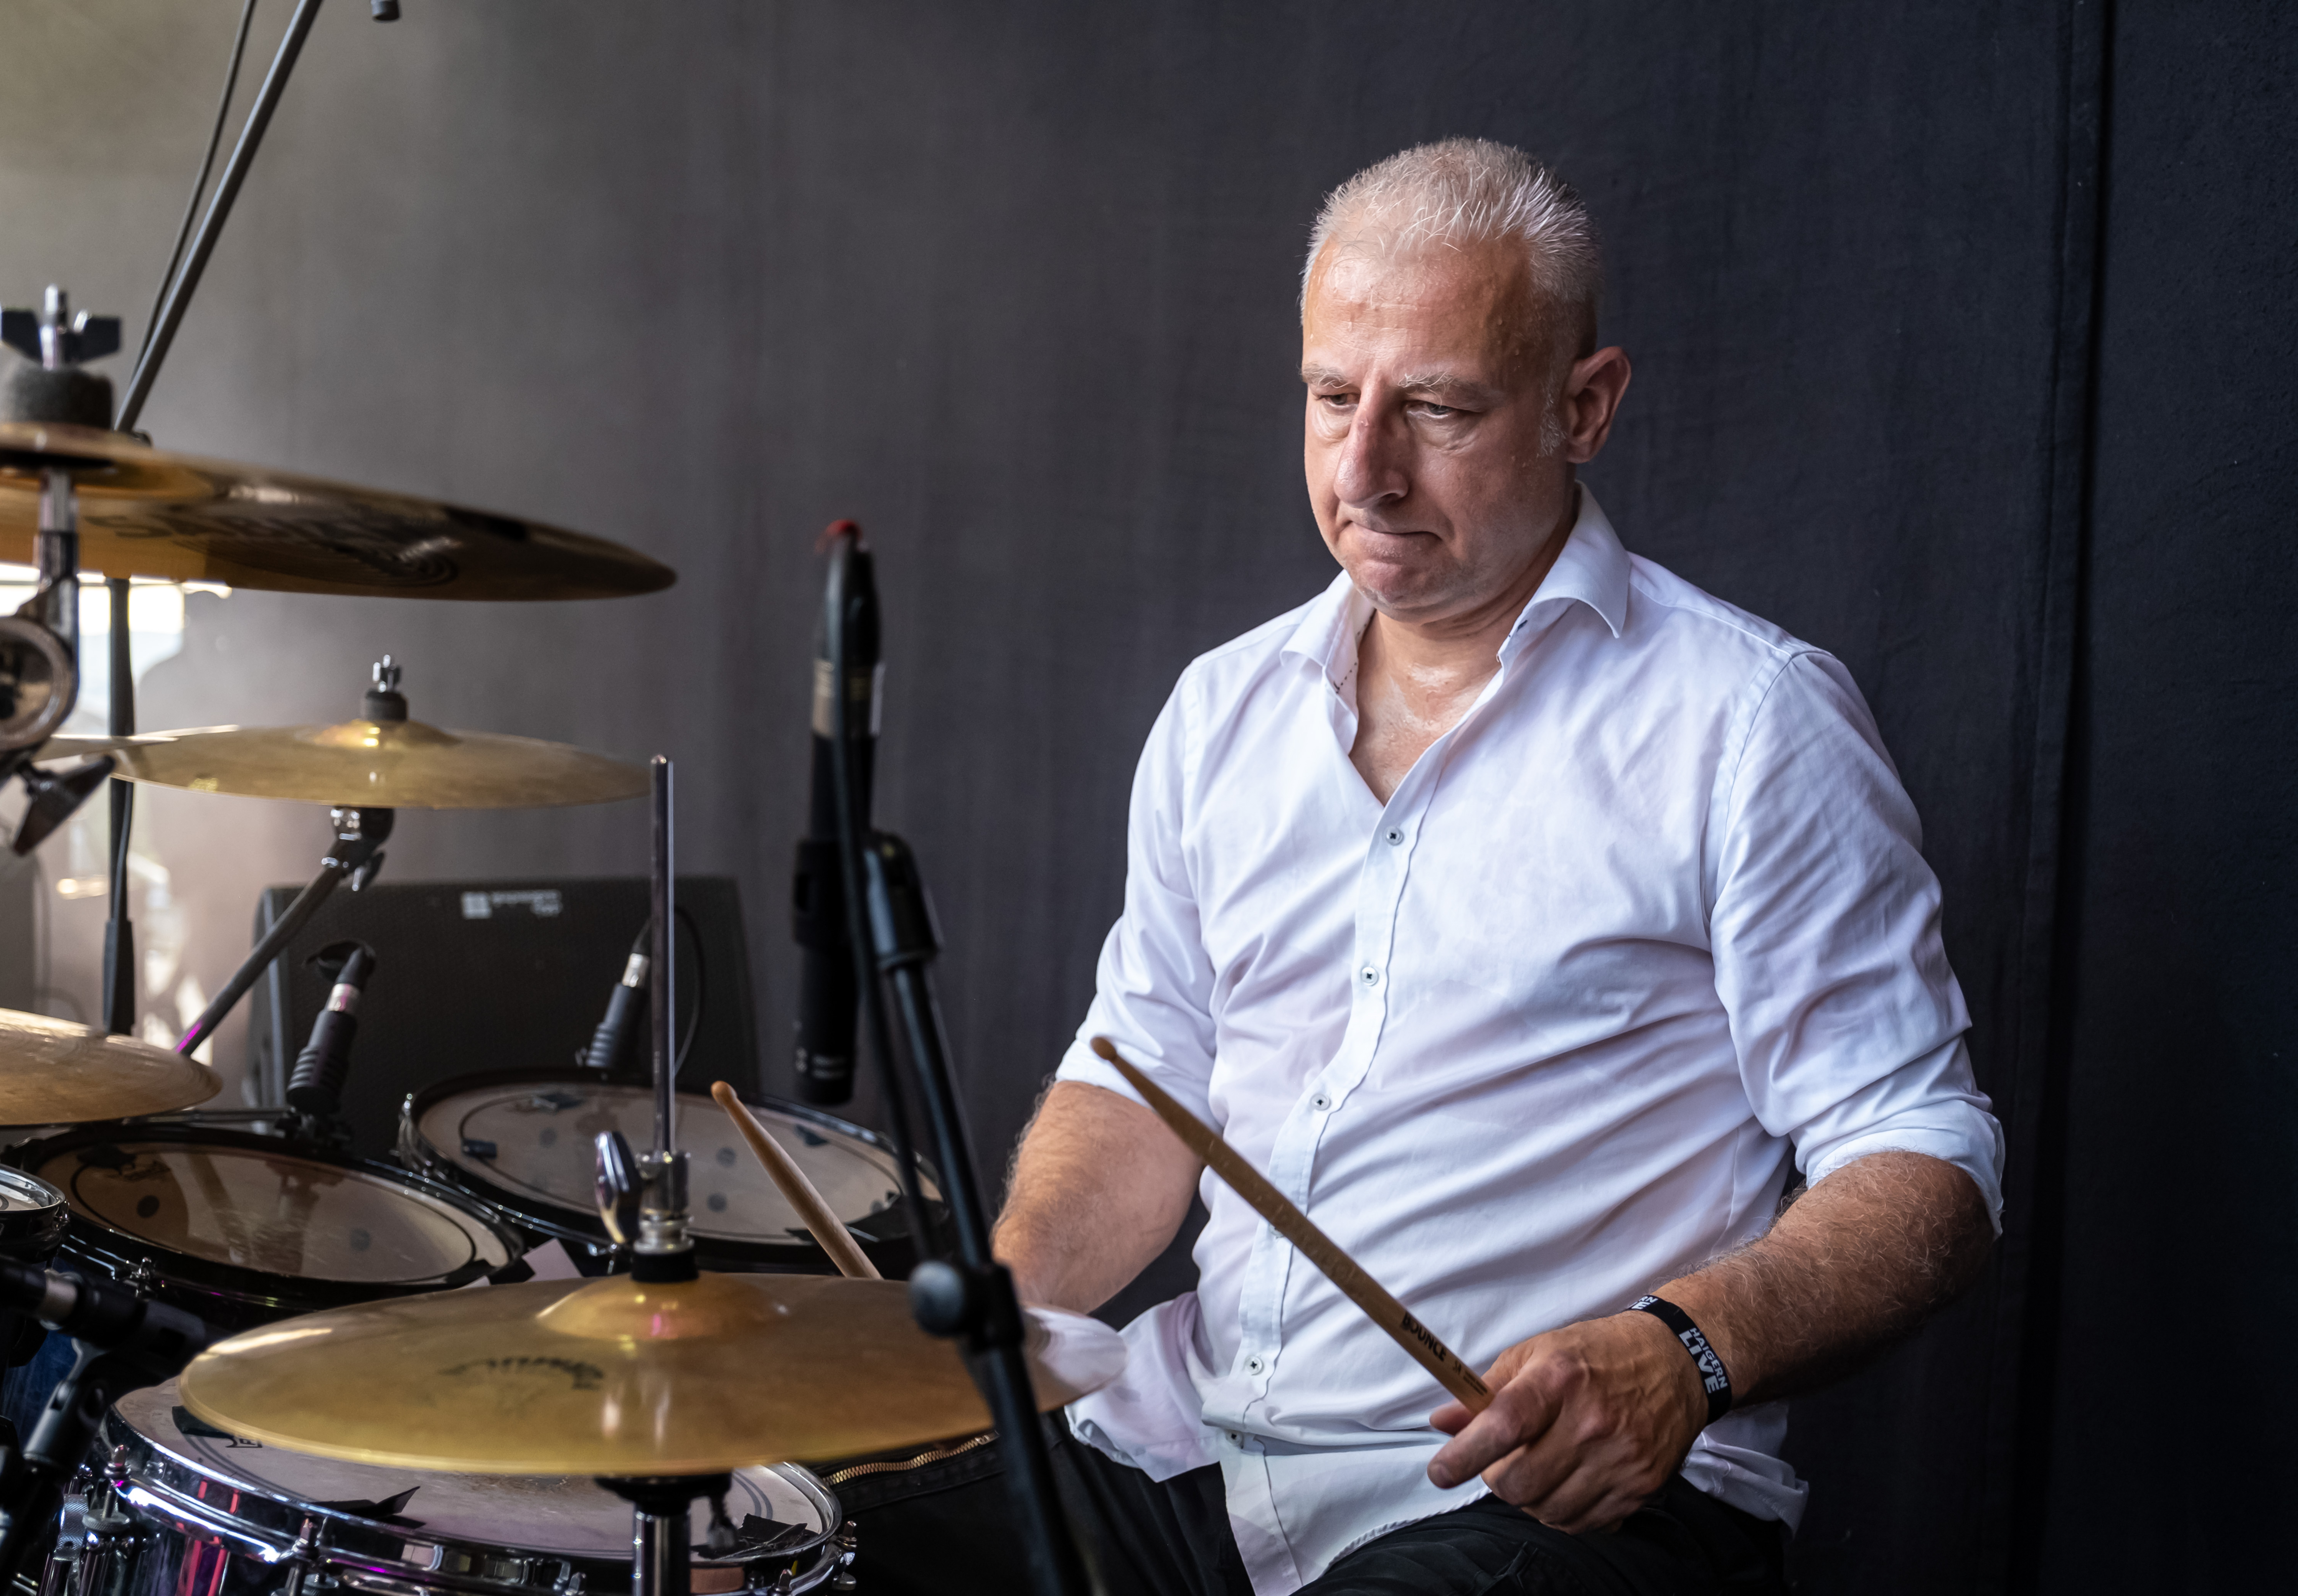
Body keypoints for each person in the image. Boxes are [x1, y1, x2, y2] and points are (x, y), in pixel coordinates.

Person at [845, 138, 2002, 1596]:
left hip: (1541, 1500)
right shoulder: (1222, 710)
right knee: (771, 1555)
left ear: (1585, 407)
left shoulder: (1751, 722)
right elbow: (1145, 1078)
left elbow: (1924, 1153)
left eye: (1439, 408)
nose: (1365, 472)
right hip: (1185, 1448)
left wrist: (1684, 1353)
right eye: (1335, 398)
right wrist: (1002, 1317)